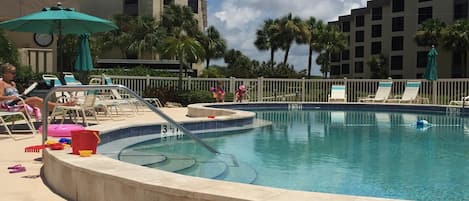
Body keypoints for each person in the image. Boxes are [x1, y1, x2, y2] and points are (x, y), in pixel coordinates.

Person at [0, 63, 76, 121]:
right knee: (36, 99)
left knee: (37, 102)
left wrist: (23, 94)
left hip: (18, 101)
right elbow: (0, 98)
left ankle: (57, 107)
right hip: (10, 105)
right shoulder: (1, 83)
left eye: (15, 73)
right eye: (12, 73)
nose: (14, 75)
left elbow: (18, 95)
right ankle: (61, 105)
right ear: (5, 73)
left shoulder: (13, 83)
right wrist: (12, 97)